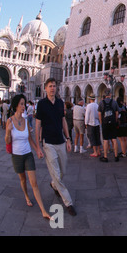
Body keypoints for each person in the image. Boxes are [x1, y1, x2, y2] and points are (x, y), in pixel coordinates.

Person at [5, 94, 52, 221]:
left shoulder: (26, 121)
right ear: (16, 105)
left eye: (24, 103)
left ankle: (43, 210)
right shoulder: (9, 121)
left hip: (27, 154)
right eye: (21, 104)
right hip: (17, 156)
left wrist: (38, 149)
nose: (23, 106)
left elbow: (30, 139)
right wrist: (8, 131)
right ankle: (26, 195)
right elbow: (7, 140)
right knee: (23, 180)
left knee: (34, 183)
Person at [35, 78, 76, 216]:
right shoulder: (41, 104)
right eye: (50, 86)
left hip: (61, 141)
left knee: (63, 170)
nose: (52, 88)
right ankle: (68, 202)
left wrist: (68, 138)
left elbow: (63, 121)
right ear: (45, 88)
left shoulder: (60, 103)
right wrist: (38, 146)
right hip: (48, 143)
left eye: (54, 86)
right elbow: (37, 125)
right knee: (56, 174)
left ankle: (54, 184)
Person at [98, 88, 120, 162]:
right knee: (114, 139)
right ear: (110, 94)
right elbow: (117, 113)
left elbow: (99, 114)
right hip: (113, 122)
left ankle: (105, 156)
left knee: (105, 140)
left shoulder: (101, 102)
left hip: (105, 123)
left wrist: (101, 122)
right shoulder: (114, 102)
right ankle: (116, 156)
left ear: (105, 94)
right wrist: (115, 120)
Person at [85, 94, 102, 158]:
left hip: (90, 124)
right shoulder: (97, 105)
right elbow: (98, 115)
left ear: (90, 99)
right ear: (94, 99)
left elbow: (87, 115)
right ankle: (98, 151)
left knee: (92, 138)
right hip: (97, 123)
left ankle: (95, 152)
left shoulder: (88, 106)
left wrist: (86, 123)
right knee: (97, 137)